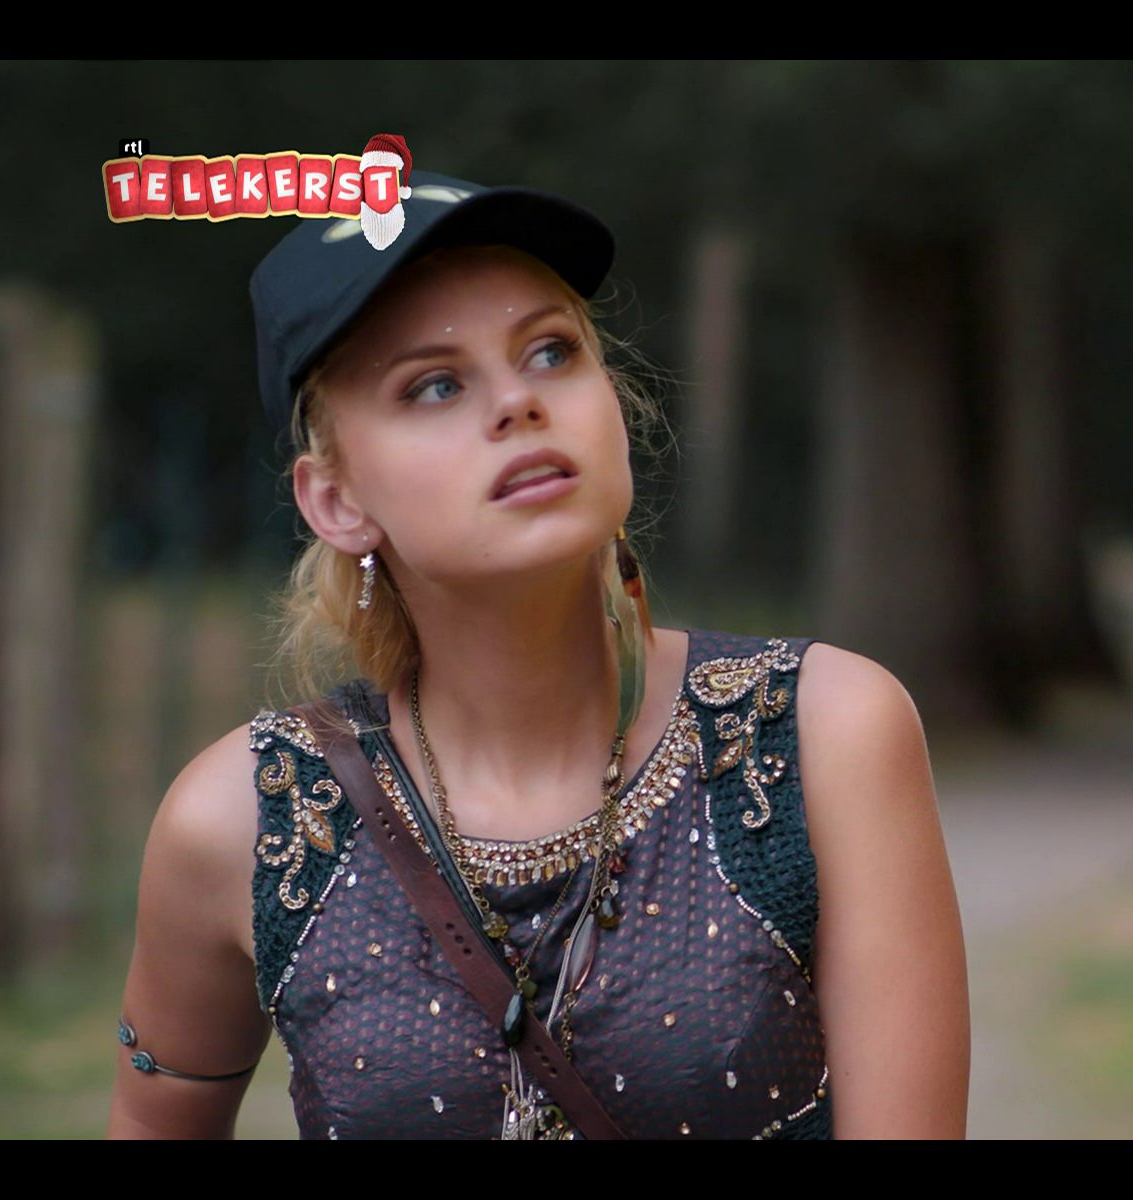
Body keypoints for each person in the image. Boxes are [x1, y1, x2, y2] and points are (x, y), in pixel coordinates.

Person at [105, 166, 971, 1139]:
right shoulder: (241, 822)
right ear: (335, 501)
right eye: (434, 385)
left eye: (551, 351)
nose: (518, 400)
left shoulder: (820, 736)